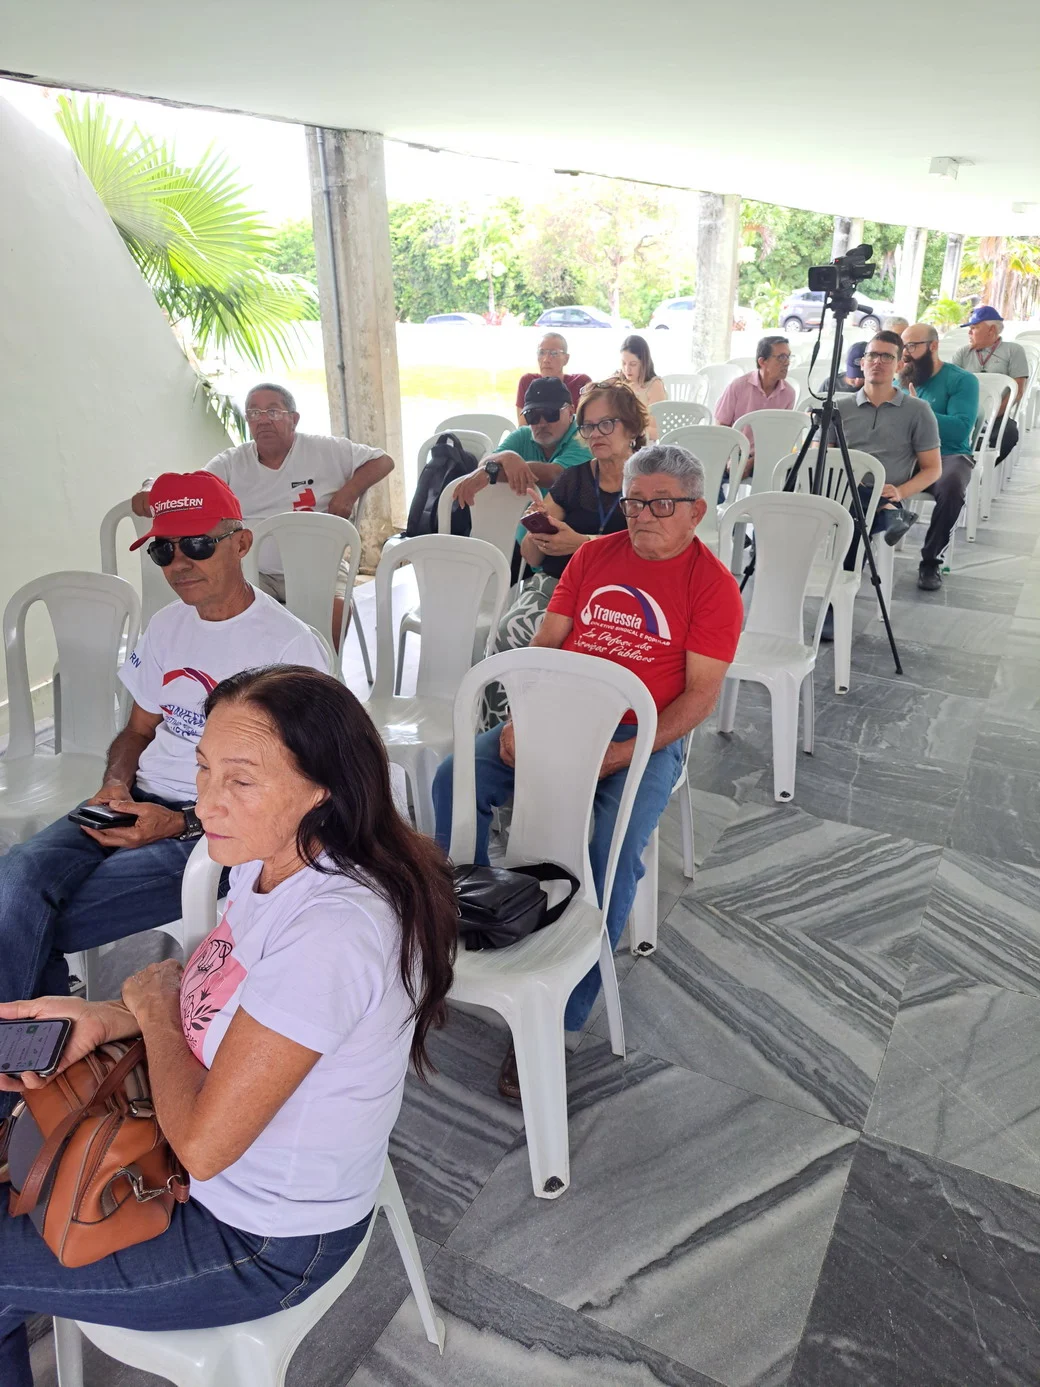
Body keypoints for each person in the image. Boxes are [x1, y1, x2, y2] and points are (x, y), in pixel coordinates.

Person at [0, 667, 458, 1387]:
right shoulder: (268, 860)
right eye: (203, 768)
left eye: (241, 780)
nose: (206, 801)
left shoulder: (333, 932)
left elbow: (204, 1147)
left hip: (260, 1241)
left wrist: (153, 1011)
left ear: (324, 787)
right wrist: (108, 1015)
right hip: (209, 1178)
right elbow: (225, 998)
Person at [0, 472, 330, 1125]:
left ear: (241, 542)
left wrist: (175, 822)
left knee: (33, 922)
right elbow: (136, 732)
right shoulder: (168, 625)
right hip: (136, 800)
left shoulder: (289, 648)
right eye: (163, 550)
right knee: (13, 883)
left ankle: (27, 1095)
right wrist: (116, 784)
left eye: (197, 545)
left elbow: (294, 792)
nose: (179, 563)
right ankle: (41, 1087)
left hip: (218, 828)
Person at [434, 444, 743, 1099]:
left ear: (696, 511)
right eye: (634, 502)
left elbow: (698, 698)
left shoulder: (712, 586)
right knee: (453, 779)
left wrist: (619, 756)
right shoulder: (596, 556)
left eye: (661, 504)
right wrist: (519, 719)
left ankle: (562, 1014)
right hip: (555, 722)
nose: (643, 515)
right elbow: (545, 644)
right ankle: (457, 923)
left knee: (610, 848)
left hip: (643, 739)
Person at [132, 383, 395, 646]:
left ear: (294, 419)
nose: (263, 420)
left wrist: (349, 493)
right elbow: (193, 487)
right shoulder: (232, 462)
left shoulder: (324, 450)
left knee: (333, 614)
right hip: (255, 570)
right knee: (228, 612)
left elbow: (383, 461)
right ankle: (256, 669)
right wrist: (150, 486)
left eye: (273, 411)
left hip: (320, 568)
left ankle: (323, 669)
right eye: (254, 413)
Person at [480, 380, 647, 726]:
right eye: (588, 426)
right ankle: (501, 736)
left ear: (631, 427)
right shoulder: (574, 479)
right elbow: (533, 558)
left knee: (583, 653)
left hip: (621, 596)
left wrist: (582, 544)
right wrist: (536, 528)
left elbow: (650, 552)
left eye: (606, 424)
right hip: (557, 585)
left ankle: (561, 733)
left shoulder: (649, 482)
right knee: (508, 635)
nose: (595, 434)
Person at [833, 331, 945, 591]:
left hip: (886, 490)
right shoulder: (840, 407)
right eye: (872, 355)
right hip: (840, 489)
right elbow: (821, 458)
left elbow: (933, 469)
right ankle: (889, 513)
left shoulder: (917, 410)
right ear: (862, 362)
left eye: (887, 356)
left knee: (857, 517)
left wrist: (900, 492)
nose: (878, 362)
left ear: (899, 365)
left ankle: (837, 598)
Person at [900, 324, 980, 587]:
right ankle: (863, 547)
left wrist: (921, 410)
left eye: (912, 346)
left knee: (952, 486)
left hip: (948, 454)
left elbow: (959, 429)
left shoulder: (962, 380)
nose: (906, 353)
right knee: (866, 472)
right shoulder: (900, 379)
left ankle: (931, 561)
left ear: (933, 346)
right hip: (905, 454)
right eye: (903, 347)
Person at [452, 376, 592, 510]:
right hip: (522, 525)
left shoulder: (584, 436)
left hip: (570, 526)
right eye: (532, 415)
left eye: (550, 414)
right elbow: (484, 464)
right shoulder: (523, 435)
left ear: (570, 412)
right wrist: (507, 457)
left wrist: (494, 472)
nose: (541, 423)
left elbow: (556, 475)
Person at [953, 306, 1030, 465]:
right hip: (965, 413)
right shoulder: (963, 353)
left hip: (997, 416)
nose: (969, 332)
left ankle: (979, 468)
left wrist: (992, 415)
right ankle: (962, 465)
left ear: (991, 330)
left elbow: (1017, 391)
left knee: (1008, 432)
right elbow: (951, 386)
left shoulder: (1013, 350)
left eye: (974, 328)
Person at [514, 333, 592, 424]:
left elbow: (588, 423)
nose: (546, 360)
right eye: (541, 353)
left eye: (554, 353)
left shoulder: (580, 383)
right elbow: (523, 425)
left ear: (566, 359)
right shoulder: (528, 382)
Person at [619, 335, 667, 437]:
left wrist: (627, 430)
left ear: (644, 363)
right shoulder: (619, 381)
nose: (627, 369)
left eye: (633, 364)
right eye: (623, 363)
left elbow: (657, 431)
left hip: (645, 441)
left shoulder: (654, 386)